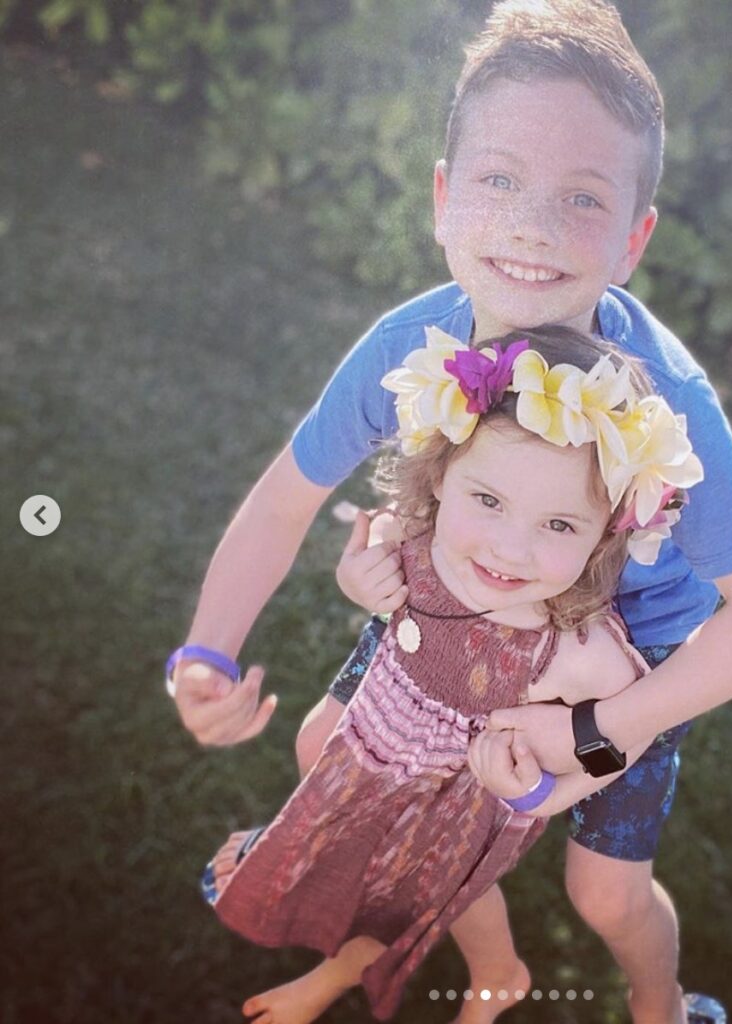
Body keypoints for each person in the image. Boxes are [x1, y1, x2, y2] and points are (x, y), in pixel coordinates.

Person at [170, 2, 732, 1022]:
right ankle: (494, 963)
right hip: (466, 612)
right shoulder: (408, 346)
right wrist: (205, 650)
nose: (532, 225)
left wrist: (599, 732)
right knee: (326, 746)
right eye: (499, 179)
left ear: (635, 237)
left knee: (602, 893)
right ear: (442, 198)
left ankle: (662, 1001)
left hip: (613, 666)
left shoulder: (665, 404)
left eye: (582, 198)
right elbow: (284, 500)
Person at [203, 325, 703, 1023]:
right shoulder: (418, 544)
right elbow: (373, 537)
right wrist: (356, 577)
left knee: (436, 879)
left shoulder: (577, 649)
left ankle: (497, 973)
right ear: (439, 475)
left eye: (558, 525)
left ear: (606, 534)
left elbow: (618, 741)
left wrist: (540, 797)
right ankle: (350, 959)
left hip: (464, 802)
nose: (508, 547)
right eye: (489, 501)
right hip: (373, 759)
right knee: (371, 866)